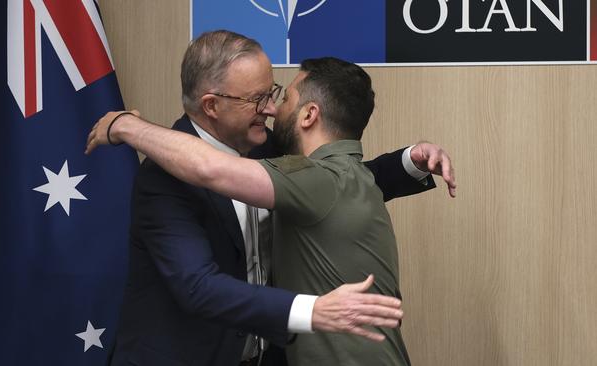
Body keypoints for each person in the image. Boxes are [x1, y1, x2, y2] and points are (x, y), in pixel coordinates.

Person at [88, 31, 455, 366]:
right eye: (257, 98)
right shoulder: (164, 176)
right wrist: (313, 311)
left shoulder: (266, 144)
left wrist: (409, 162)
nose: (271, 108)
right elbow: (198, 288)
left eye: (273, 91)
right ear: (212, 105)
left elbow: (337, 186)